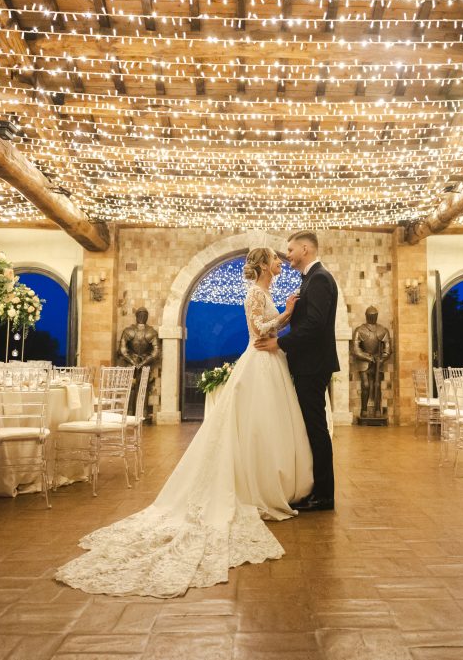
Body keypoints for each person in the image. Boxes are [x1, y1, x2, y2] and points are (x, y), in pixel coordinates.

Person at [56, 247, 313, 597]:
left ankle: (274, 480)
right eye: (277, 260)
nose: (281, 263)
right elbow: (257, 330)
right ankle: (257, 486)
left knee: (268, 428)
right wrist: (286, 315)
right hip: (259, 360)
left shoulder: (265, 291)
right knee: (255, 426)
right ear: (265, 265)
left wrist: (283, 316)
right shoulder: (255, 293)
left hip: (270, 363)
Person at [256, 230, 339, 512]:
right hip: (309, 364)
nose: (287, 255)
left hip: (313, 366)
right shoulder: (311, 279)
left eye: (290, 250)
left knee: (316, 429)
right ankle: (315, 489)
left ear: (305, 249)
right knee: (312, 427)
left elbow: (314, 325)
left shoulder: (319, 279)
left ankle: (324, 495)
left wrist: (280, 343)